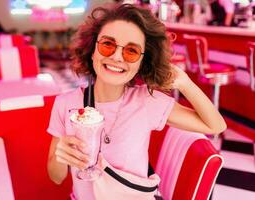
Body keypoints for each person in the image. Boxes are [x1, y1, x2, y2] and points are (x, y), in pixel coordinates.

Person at [47, 3, 226, 200]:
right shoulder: (65, 104)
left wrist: (185, 83)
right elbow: (56, 177)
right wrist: (59, 154)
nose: (116, 56)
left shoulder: (147, 101)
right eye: (108, 45)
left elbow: (215, 125)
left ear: (142, 61)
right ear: (92, 50)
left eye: (131, 51)